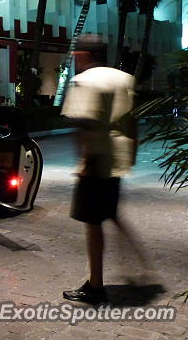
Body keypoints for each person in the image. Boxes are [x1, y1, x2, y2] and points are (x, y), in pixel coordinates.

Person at [61, 34, 141, 304]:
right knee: (109, 213)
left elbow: (87, 124)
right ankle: (137, 259)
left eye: (77, 53)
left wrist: (84, 161)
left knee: (93, 224)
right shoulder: (123, 79)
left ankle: (95, 286)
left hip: (95, 162)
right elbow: (132, 121)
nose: (74, 58)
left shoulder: (84, 81)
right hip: (116, 159)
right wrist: (132, 153)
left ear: (85, 54)